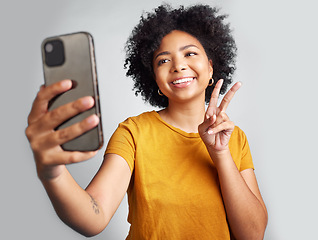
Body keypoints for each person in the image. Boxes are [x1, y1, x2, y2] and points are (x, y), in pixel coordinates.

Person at [25, 4, 268, 240]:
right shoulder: (133, 132)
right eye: (163, 60)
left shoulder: (234, 138)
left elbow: (253, 234)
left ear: (211, 66)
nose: (178, 65)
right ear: (154, 79)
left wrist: (221, 153)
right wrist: (52, 173)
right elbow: (93, 217)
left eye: (190, 53)